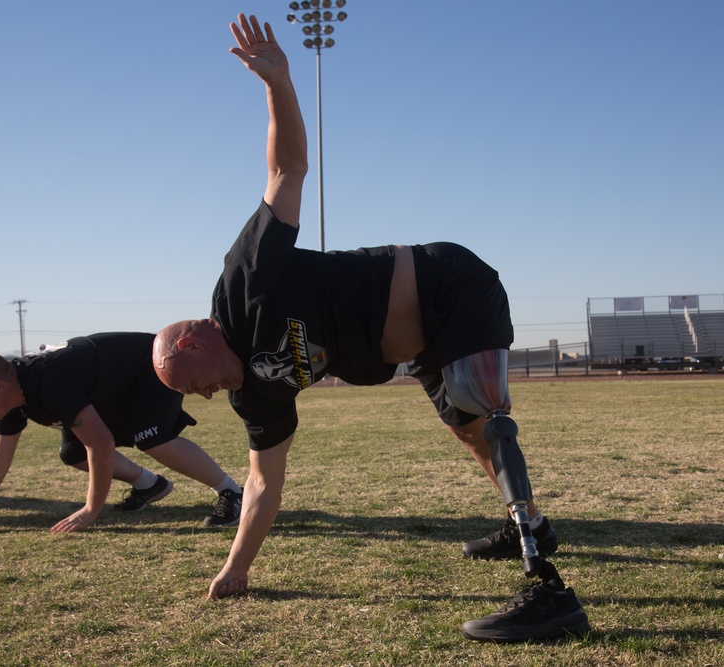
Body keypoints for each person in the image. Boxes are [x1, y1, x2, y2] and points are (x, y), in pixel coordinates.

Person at [153, 14, 589, 642]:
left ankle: (548, 587)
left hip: (449, 287)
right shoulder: (257, 393)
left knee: (485, 414)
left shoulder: (244, 284)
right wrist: (235, 568)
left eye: (184, 381)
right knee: (470, 434)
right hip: (420, 347)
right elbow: (260, 482)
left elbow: (288, 174)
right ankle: (532, 523)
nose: (196, 396)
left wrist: (277, 82)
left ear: (192, 342)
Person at [0, 332, 243, 537]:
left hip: (149, 365)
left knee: (151, 435)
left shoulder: (47, 381)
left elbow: (100, 443)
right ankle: (150, 484)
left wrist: (90, 511)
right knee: (72, 454)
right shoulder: (12, 397)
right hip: (109, 387)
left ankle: (232, 492)